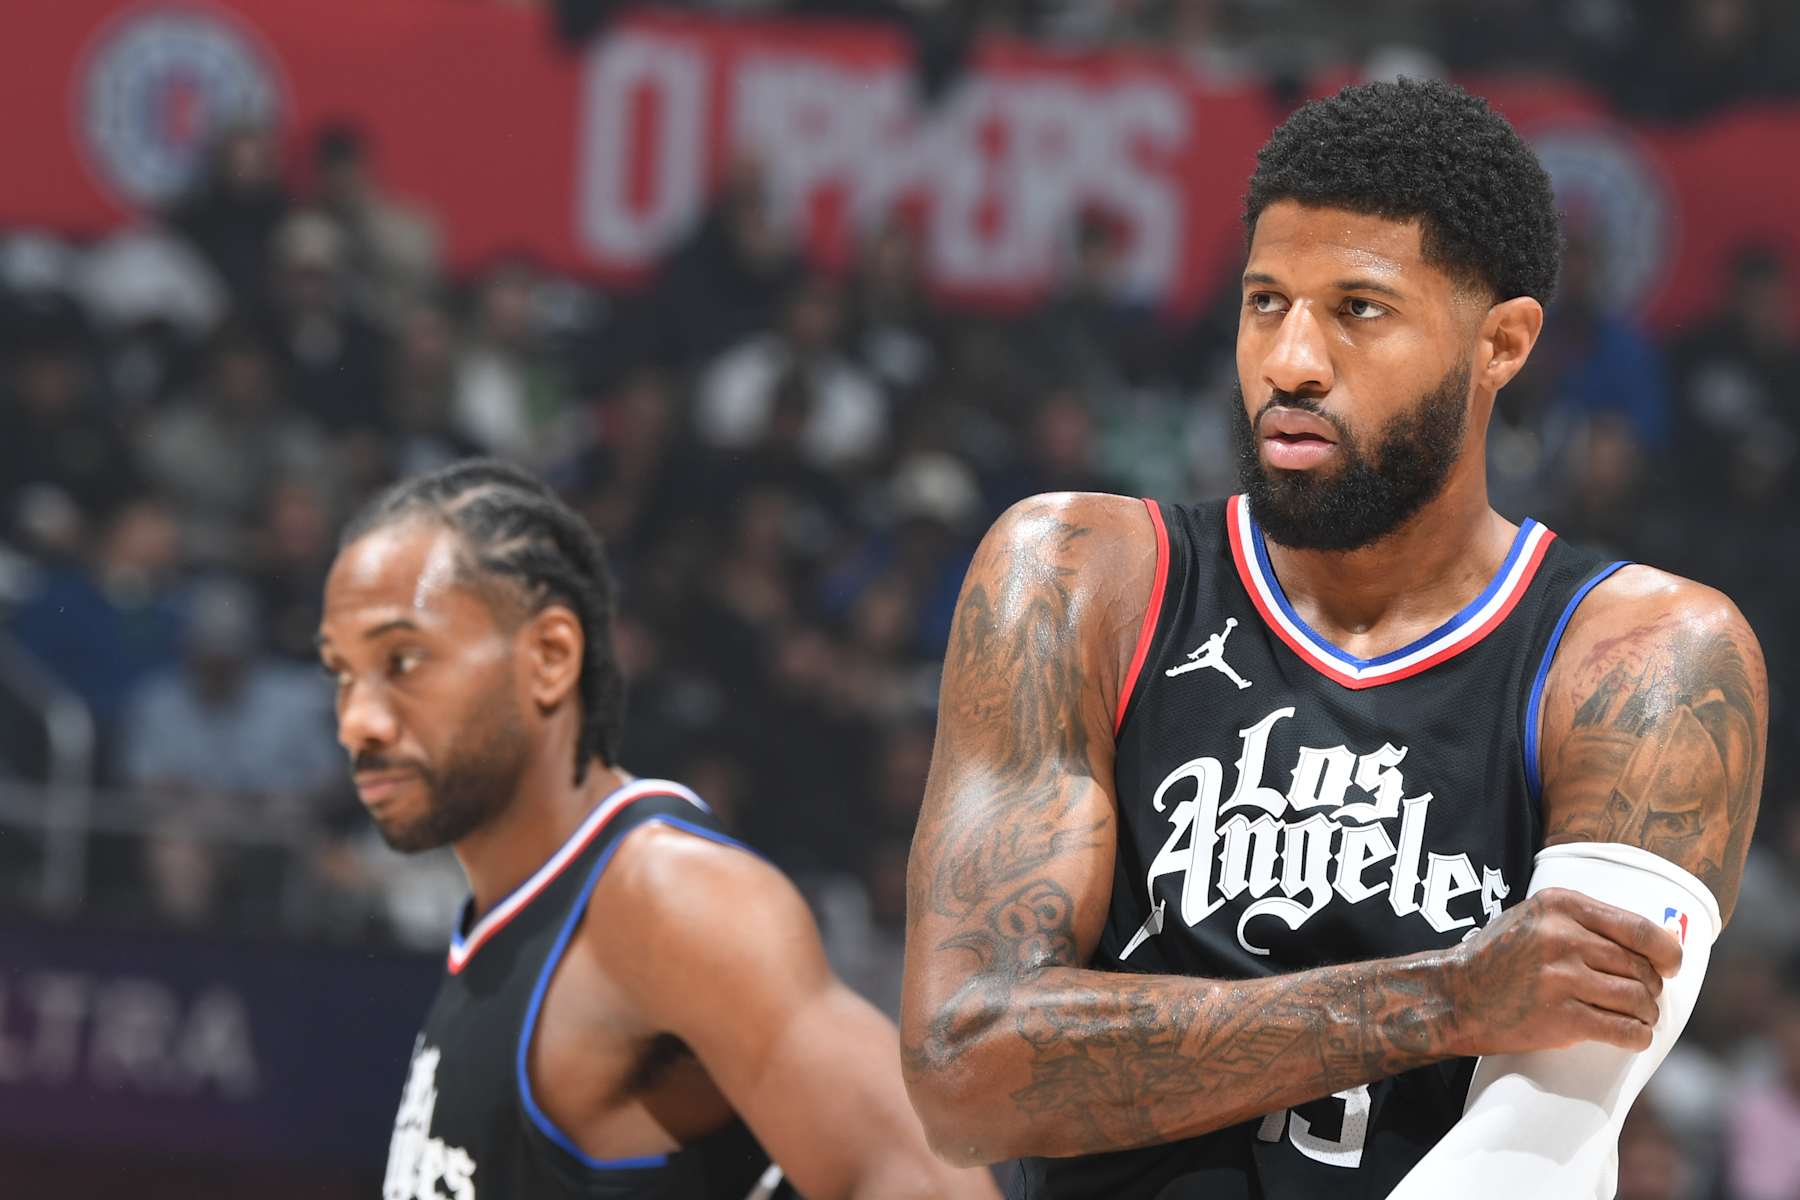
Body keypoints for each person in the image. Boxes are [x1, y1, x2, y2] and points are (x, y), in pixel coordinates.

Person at [899, 79, 1767, 1199]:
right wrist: (1443, 999)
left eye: (1359, 308)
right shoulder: (1078, 576)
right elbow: (964, 1072)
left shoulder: (1645, 656)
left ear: (1501, 343)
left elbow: (1544, 1137)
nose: (1292, 363)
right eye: (1266, 303)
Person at [315, 459, 998, 1200]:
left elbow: (921, 1181)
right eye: (342, 674)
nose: (360, 720)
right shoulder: (504, 928)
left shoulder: (662, 896)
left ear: (549, 659)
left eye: (405, 661)